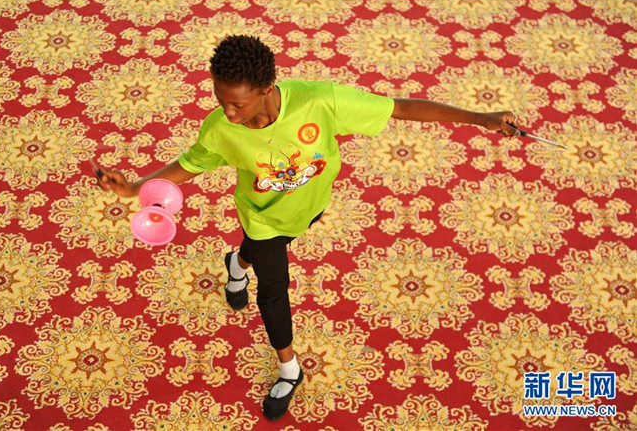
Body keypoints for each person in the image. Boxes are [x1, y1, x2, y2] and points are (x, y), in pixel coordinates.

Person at [96, 35, 518, 421]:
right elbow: (191, 163)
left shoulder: (320, 101)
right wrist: (134, 188)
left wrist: (480, 119)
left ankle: (236, 264)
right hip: (262, 217)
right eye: (220, 100)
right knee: (273, 289)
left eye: (237, 104)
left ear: (266, 89)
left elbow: (400, 108)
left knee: (257, 251)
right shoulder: (221, 128)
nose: (228, 112)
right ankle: (289, 369)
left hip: (310, 206)